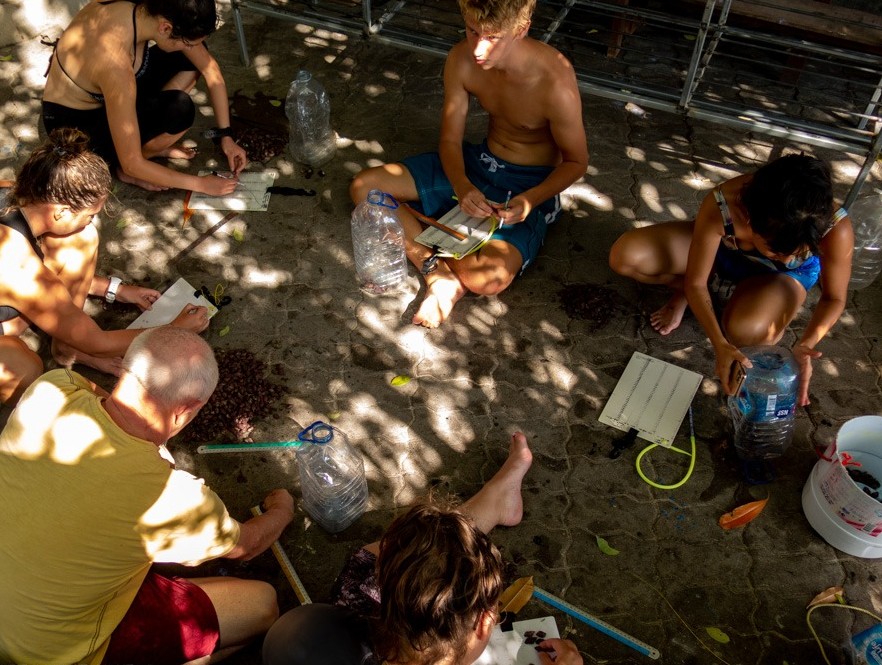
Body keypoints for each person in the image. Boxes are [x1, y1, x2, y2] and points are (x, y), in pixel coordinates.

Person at [0, 326, 296, 665]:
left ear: (126, 368)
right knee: (261, 604)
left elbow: (98, 397)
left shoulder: (52, 388)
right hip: (43, 653)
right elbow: (248, 545)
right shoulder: (171, 498)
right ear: (186, 411)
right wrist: (282, 508)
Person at [349, 0, 589, 328]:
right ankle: (437, 273)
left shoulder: (555, 82)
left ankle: (425, 224)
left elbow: (576, 162)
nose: (478, 47)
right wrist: (462, 184)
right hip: (478, 163)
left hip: (527, 185)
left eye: (492, 37)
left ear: (521, 29)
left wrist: (530, 201)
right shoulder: (461, 58)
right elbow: (449, 141)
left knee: (486, 281)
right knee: (364, 187)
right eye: (472, 31)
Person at [263, 432, 585, 665]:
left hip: (300, 640)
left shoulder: (342, 614)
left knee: (401, 554)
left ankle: (496, 500)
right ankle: (495, 500)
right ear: (485, 623)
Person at [608, 154, 854, 406]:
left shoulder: (833, 226)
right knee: (626, 256)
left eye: (797, 252)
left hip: (778, 280)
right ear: (750, 219)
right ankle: (689, 295)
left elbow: (834, 298)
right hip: (722, 254)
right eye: (777, 250)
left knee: (748, 331)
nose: (787, 257)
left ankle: (751, 301)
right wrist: (719, 344)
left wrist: (806, 343)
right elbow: (696, 282)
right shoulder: (725, 203)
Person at [0, 128, 209, 405]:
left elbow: (43, 289)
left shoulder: (12, 190)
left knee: (80, 238)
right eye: (90, 215)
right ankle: (67, 344)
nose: (91, 221)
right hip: (13, 303)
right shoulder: (21, 267)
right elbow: (95, 341)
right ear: (61, 211)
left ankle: (65, 344)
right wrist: (173, 330)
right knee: (25, 369)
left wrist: (118, 290)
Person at [42, 0, 247, 194]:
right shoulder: (116, 64)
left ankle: (146, 145)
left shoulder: (148, 9)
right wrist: (201, 184)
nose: (191, 47)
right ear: (166, 28)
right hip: (74, 127)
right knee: (179, 110)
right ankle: (125, 164)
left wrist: (225, 136)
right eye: (187, 42)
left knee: (189, 59)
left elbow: (210, 70)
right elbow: (133, 163)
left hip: (107, 94)